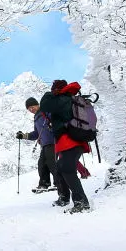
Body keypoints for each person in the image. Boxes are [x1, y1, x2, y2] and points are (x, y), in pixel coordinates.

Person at [39, 79, 92, 214]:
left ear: (57, 89)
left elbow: (44, 104)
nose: (51, 91)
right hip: (75, 141)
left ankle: (81, 203)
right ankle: (65, 198)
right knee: (61, 167)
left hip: (70, 141)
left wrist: (50, 93)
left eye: (53, 89)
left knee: (67, 169)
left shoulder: (63, 99)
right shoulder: (69, 99)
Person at [15, 96, 66, 196]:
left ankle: (59, 183)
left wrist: (53, 124)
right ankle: (44, 184)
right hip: (45, 144)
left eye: (32, 106)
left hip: (53, 141)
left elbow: (56, 119)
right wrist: (24, 136)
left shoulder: (46, 111)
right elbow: (36, 133)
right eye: (29, 109)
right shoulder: (36, 117)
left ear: (37, 104)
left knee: (52, 163)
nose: (31, 109)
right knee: (41, 164)